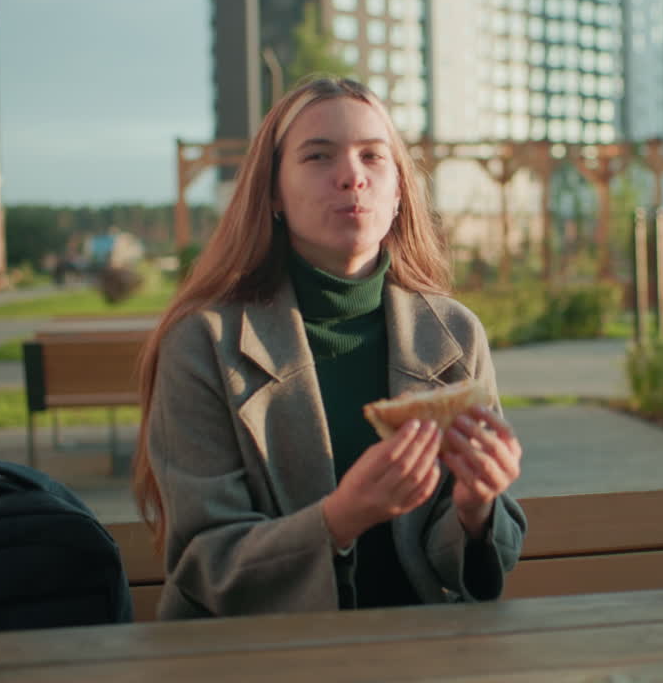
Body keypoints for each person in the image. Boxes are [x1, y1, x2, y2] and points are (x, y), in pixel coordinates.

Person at [132, 77, 526, 619]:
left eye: (372, 157)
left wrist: (477, 506)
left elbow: (470, 565)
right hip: (253, 660)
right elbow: (206, 564)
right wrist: (339, 519)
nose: (351, 177)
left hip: (425, 653)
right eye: (318, 157)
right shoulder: (202, 343)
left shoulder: (455, 333)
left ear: (398, 193)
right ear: (272, 192)